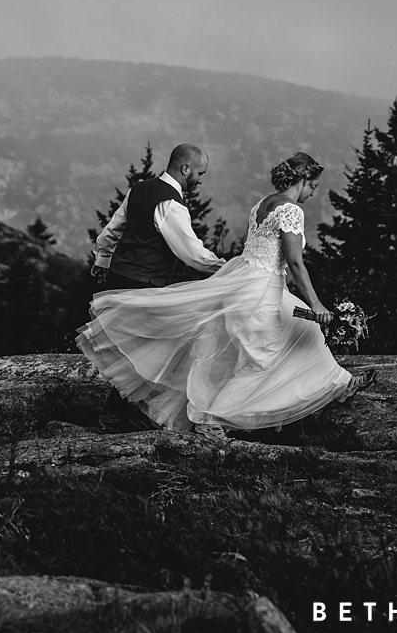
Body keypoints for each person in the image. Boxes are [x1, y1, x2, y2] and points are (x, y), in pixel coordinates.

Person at [78, 152, 376, 439]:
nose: (314, 194)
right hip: (256, 292)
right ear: (306, 180)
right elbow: (292, 261)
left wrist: (102, 258)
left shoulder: (260, 204)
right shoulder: (290, 210)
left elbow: (112, 228)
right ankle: (209, 418)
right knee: (257, 363)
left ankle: (341, 383)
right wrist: (315, 302)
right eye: (315, 186)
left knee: (306, 329)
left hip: (248, 285)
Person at [89, 143, 226, 431]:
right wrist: (226, 268)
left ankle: (128, 412)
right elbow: (191, 252)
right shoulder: (171, 204)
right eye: (199, 173)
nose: (200, 180)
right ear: (185, 168)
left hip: (119, 277)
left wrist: (102, 260)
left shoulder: (139, 189)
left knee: (137, 349)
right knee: (152, 349)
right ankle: (116, 414)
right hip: (144, 283)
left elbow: (112, 229)